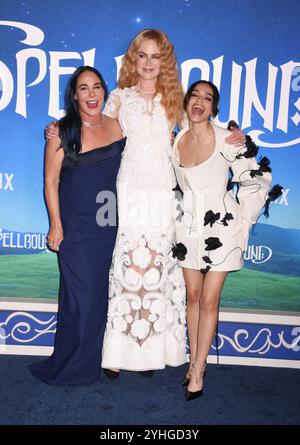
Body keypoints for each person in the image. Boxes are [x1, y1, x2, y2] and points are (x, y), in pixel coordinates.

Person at [46, 30, 246, 376]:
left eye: (156, 56)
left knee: (156, 273)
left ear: (164, 60)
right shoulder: (120, 99)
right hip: (127, 193)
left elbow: (202, 126)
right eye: (143, 56)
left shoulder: (175, 100)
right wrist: (57, 129)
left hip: (163, 195)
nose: (149, 63)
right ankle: (118, 355)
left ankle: (151, 355)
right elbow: (92, 124)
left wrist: (232, 130)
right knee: (127, 273)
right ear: (133, 59)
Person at [171, 80, 274, 400]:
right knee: (191, 296)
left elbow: (255, 178)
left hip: (222, 230)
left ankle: (199, 370)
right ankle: (192, 361)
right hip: (187, 230)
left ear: (214, 107)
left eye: (208, 98)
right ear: (186, 102)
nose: (200, 101)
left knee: (209, 300)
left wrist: (244, 223)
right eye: (195, 96)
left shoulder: (227, 138)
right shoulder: (175, 141)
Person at [28, 66, 126, 385]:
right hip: (76, 226)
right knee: (79, 298)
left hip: (109, 224)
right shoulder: (62, 131)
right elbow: (49, 180)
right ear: (74, 95)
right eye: (83, 88)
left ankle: (92, 361)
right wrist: (55, 225)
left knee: (99, 295)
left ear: (104, 92)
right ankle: (72, 365)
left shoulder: (118, 125)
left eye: (96, 87)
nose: (91, 94)